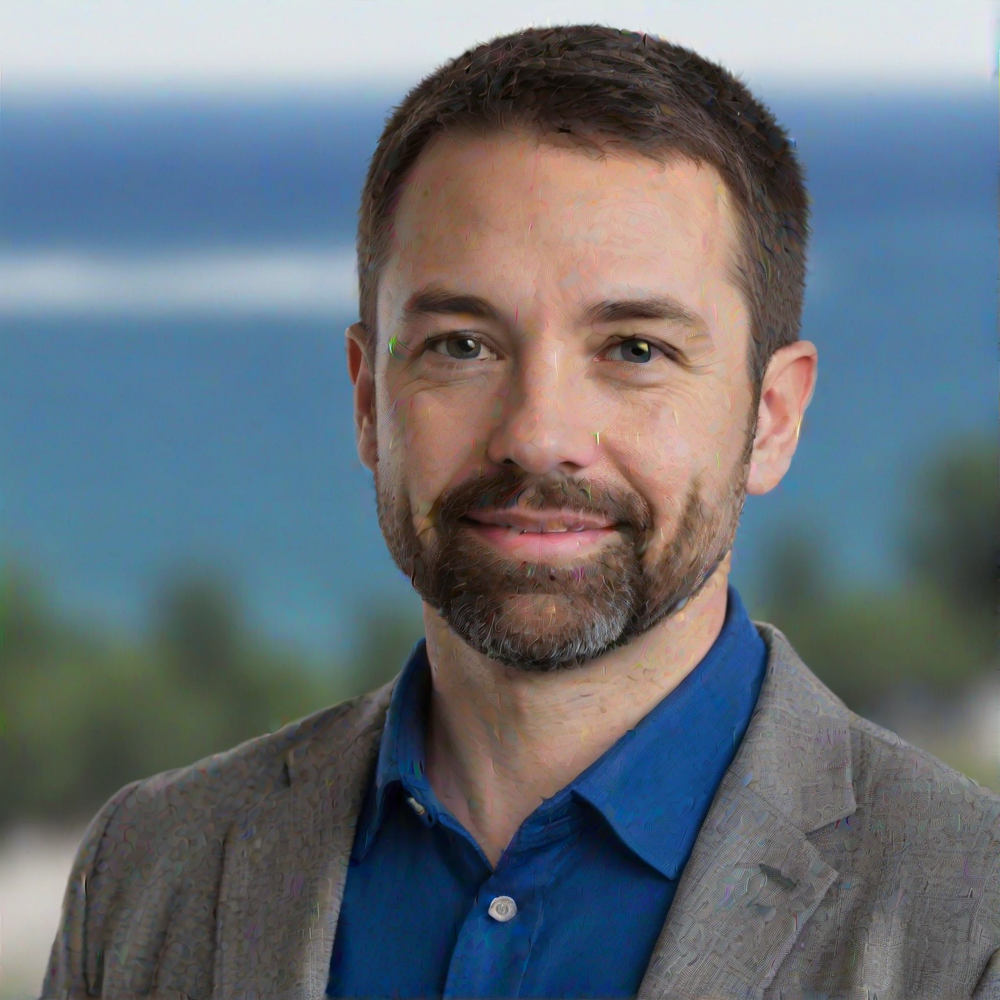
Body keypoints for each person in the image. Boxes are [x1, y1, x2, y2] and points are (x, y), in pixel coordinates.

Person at [43, 24, 1000, 1000]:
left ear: (771, 418)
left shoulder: (973, 921)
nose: (538, 434)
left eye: (634, 350)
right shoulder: (146, 868)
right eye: (461, 345)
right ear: (369, 397)